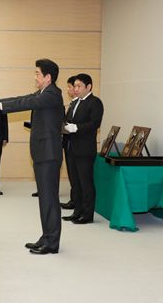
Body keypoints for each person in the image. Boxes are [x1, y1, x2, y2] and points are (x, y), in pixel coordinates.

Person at [0, 58, 65, 255]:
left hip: (49, 154)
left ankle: (52, 242)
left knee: (49, 198)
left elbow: (24, 102)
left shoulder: (52, 94)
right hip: (43, 153)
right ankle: (47, 236)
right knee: (45, 198)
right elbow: (22, 98)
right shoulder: (45, 92)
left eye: (37, 73)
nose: (34, 77)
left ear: (48, 77)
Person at [61, 73, 104, 224]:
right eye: (75, 86)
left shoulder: (95, 102)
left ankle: (87, 215)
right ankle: (77, 211)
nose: (76, 89)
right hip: (72, 148)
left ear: (89, 87)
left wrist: (75, 127)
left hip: (85, 150)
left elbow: (94, 124)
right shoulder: (76, 102)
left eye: (79, 86)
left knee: (86, 183)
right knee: (76, 183)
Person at [60, 76, 79, 209]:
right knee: (72, 173)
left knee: (76, 174)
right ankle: (74, 199)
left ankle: (76, 200)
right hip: (67, 143)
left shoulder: (79, 104)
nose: (68, 90)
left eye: (69, 87)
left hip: (76, 144)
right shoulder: (73, 103)